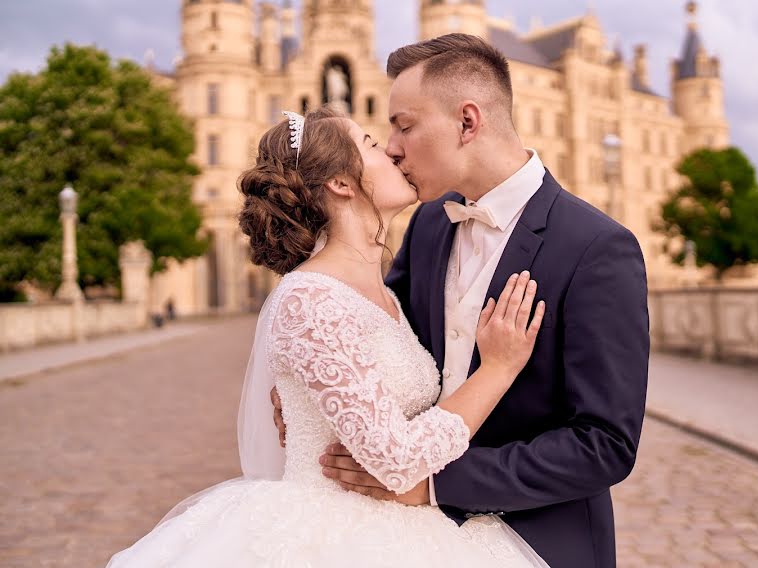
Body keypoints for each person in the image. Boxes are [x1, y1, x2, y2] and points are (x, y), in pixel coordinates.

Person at [105, 106, 550, 567]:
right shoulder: (308, 301)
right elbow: (395, 460)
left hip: (406, 526)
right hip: (332, 535)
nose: (394, 150)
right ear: (341, 182)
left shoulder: (386, 294)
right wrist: (497, 368)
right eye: (373, 145)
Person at [277, 33, 650, 568]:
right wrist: (307, 381)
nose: (393, 147)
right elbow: (373, 331)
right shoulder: (429, 222)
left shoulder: (597, 248)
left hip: (538, 542)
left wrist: (432, 484)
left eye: (405, 124)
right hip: (402, 540)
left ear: (467, 122)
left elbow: (605, 443)